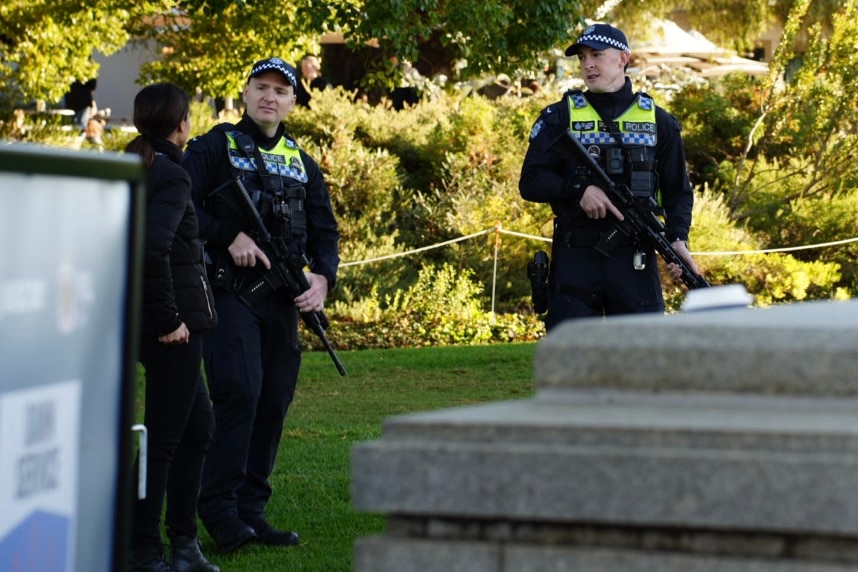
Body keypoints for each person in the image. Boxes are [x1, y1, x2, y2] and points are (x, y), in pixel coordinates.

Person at [183, 57, 340, 553]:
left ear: (294, 101)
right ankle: (220, 509)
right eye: (261, 88)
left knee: (273, 400)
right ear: (246, 93)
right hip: (229, 294)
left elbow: (326, 232)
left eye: (281, 90)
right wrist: (228, 234)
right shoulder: (214, 147)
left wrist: (323, 279)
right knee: (241, 392)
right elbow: (180, 205)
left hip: (281, 300)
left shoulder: (301, 161)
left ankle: (251, 511)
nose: (270, 97)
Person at [519, 23, 702, 331]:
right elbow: (531, 180)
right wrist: (578, 190)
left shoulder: (659, 122)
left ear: (622, 58)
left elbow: (678, 192)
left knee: (640, 364)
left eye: (596, 55)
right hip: (575, 257)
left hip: (634, 259)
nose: (587, 64)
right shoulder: (559, 117)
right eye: (582, 57)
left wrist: (679, 239)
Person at [126, 83, 220, 572]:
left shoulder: (133, 164)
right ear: (180, 124)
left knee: (198, 428)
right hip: (171, 326)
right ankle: (144, 548)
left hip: (153, 319)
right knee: (166, 437)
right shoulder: (170, 174)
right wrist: (169, 321)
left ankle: (183, 543)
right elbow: (150, 249)